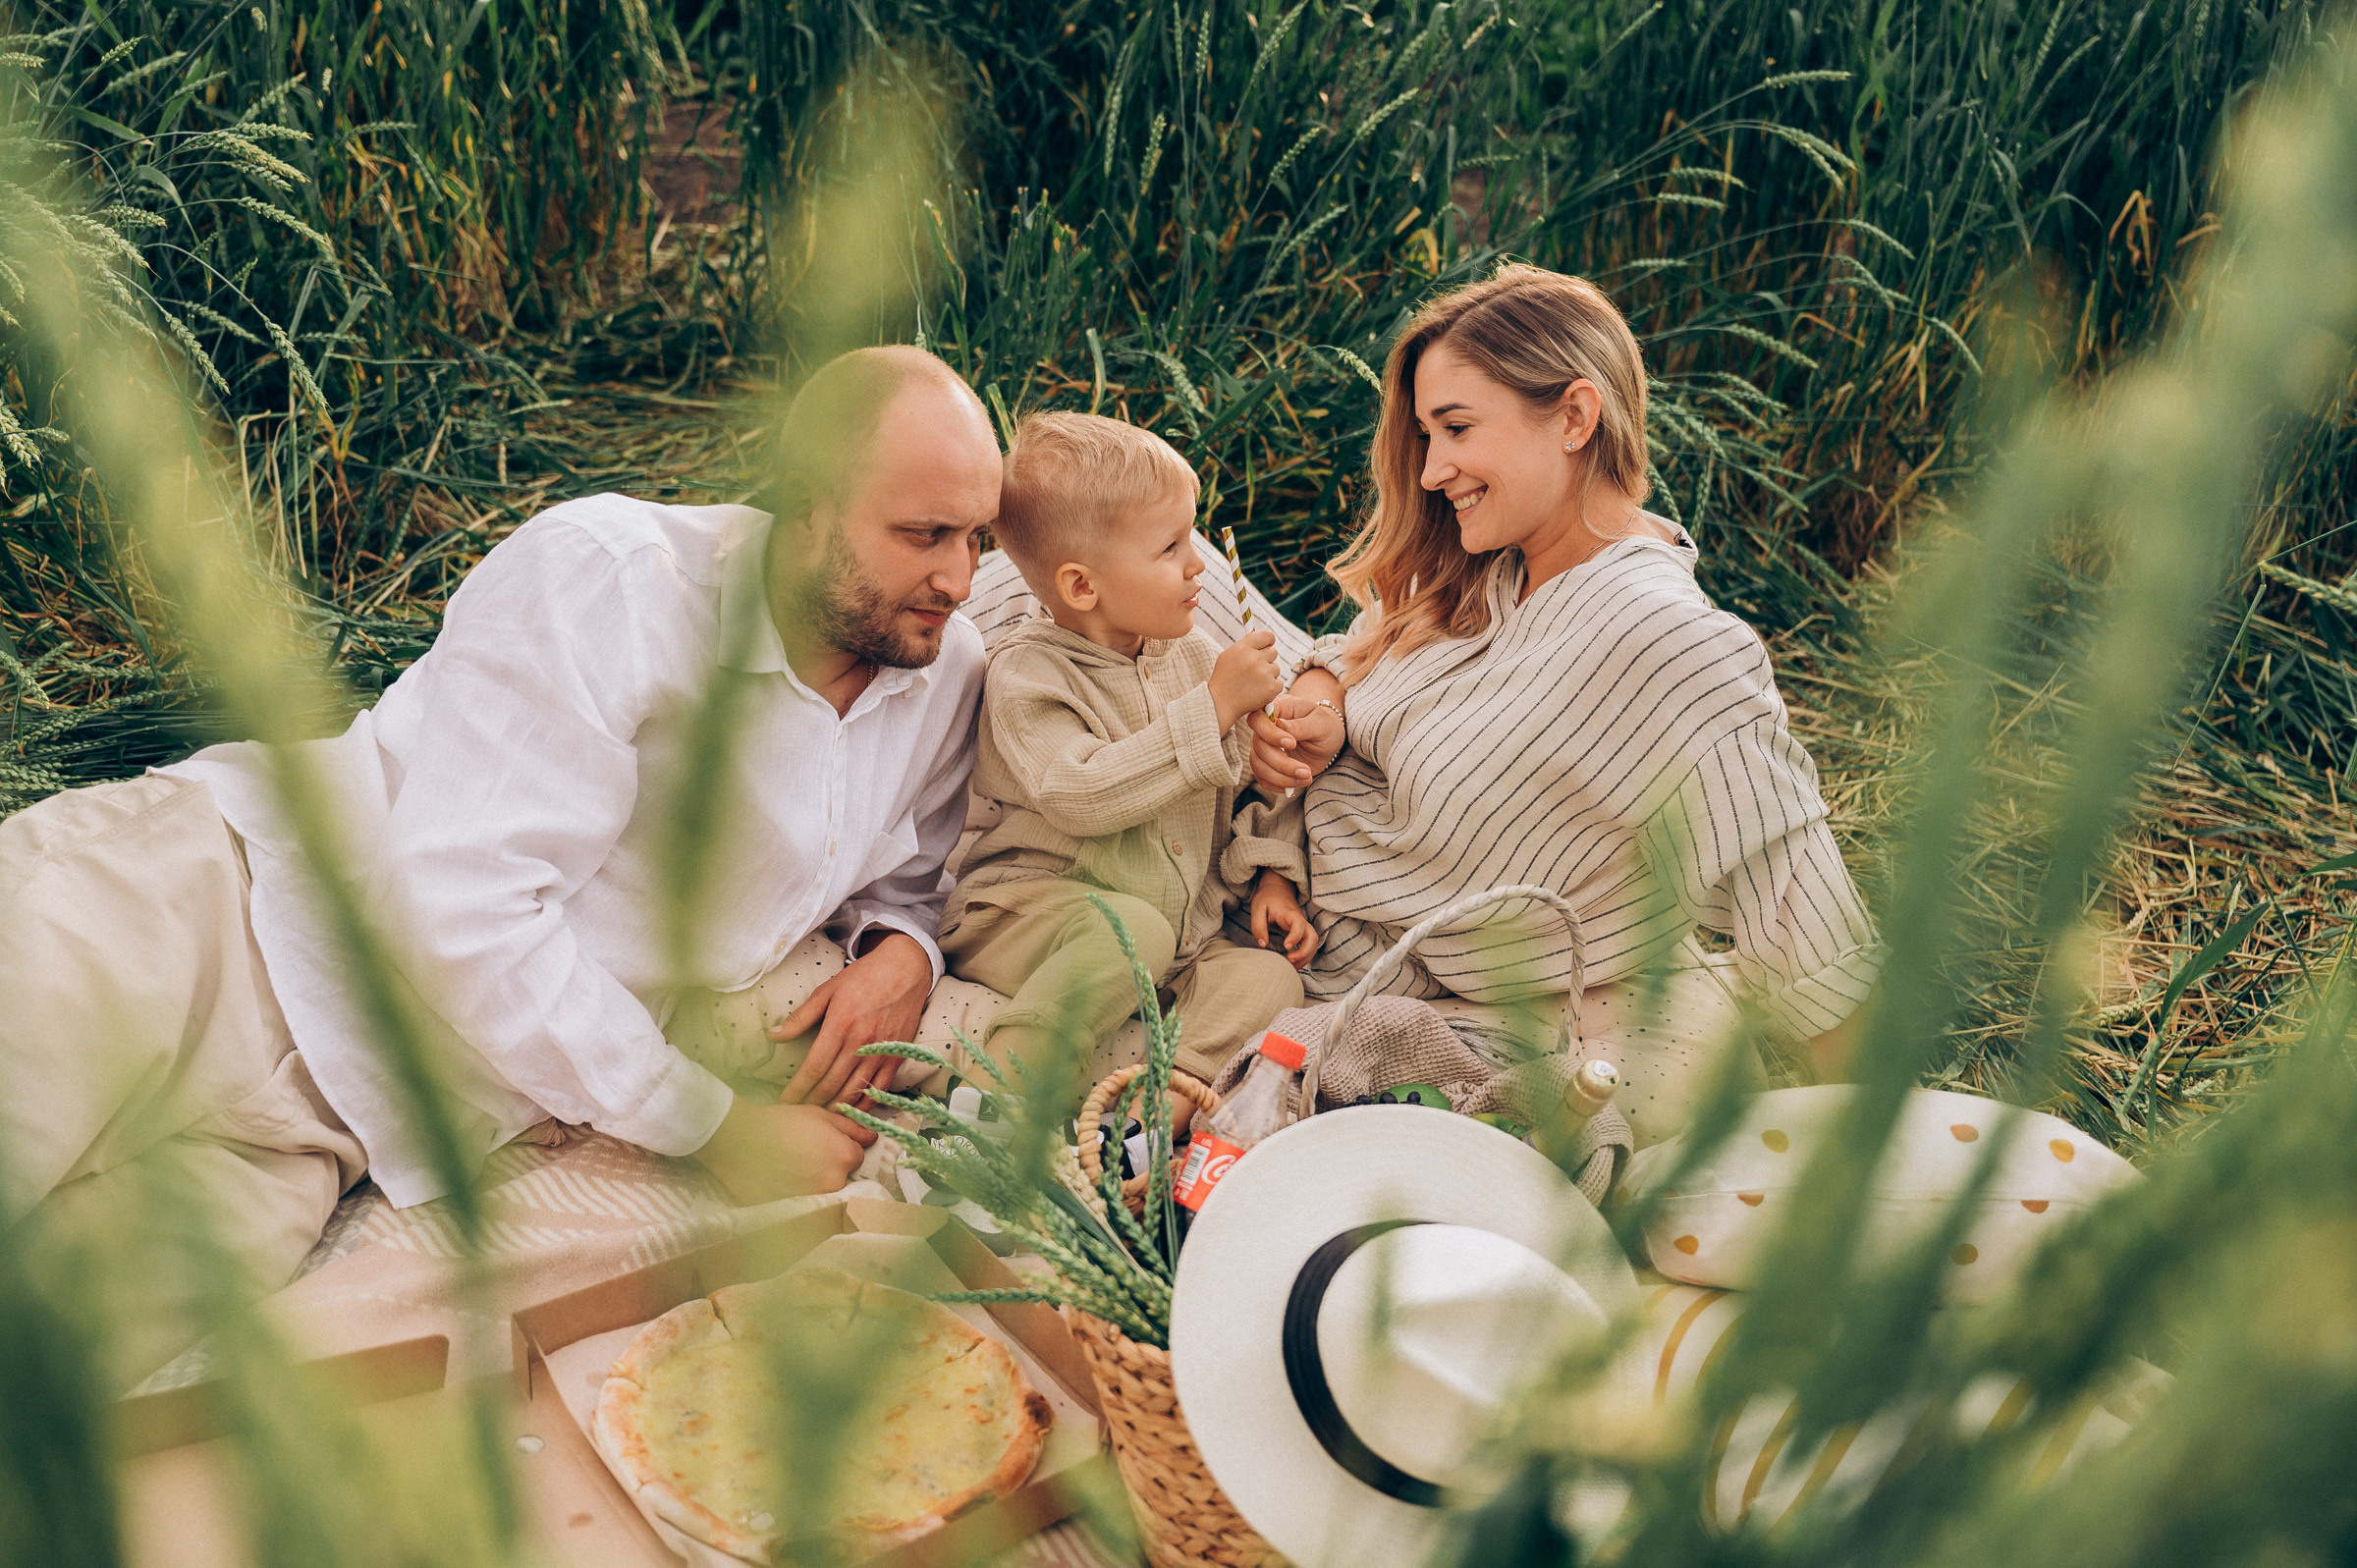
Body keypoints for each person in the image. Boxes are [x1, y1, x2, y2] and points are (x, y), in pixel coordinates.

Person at [0, 346, 1001, 1374]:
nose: (960, 578)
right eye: (924, 534)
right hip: (222, 906)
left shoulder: (944, 671)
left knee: (50, 1377)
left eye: (979, 536)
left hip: (341, 1122)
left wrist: (904, 951)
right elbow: (460, 908)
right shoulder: (611, 583)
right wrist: (715, 1129)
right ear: (808, 505)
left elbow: (909, 874)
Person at [961, 266, 1877, 1139]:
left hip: (1272, 916)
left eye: (1456, 429)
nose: (1433, 469)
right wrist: (1322, 695)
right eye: (1426, 437)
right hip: (1241, 817)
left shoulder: (1665, 644)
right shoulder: (1502, 565)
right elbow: (1347, 647)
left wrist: (1884, 1141)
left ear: (1575, 416)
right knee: (1045, 566)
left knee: (1063, 588)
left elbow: (1797, 899)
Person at [942, 411, 1314, 1090]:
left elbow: (1252, 789)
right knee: (1128, 930)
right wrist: (1215, 710)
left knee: (1269, 977)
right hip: (1026, 915)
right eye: (1170, 547)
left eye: (1193, 536)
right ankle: (994, 1102)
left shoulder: (1198, 658)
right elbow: (1081, 793)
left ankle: (1156, 1113)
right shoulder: (1027, 675)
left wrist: (1271, 867)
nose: (1197, 563)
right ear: (1083, 586)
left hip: (1172, 942)